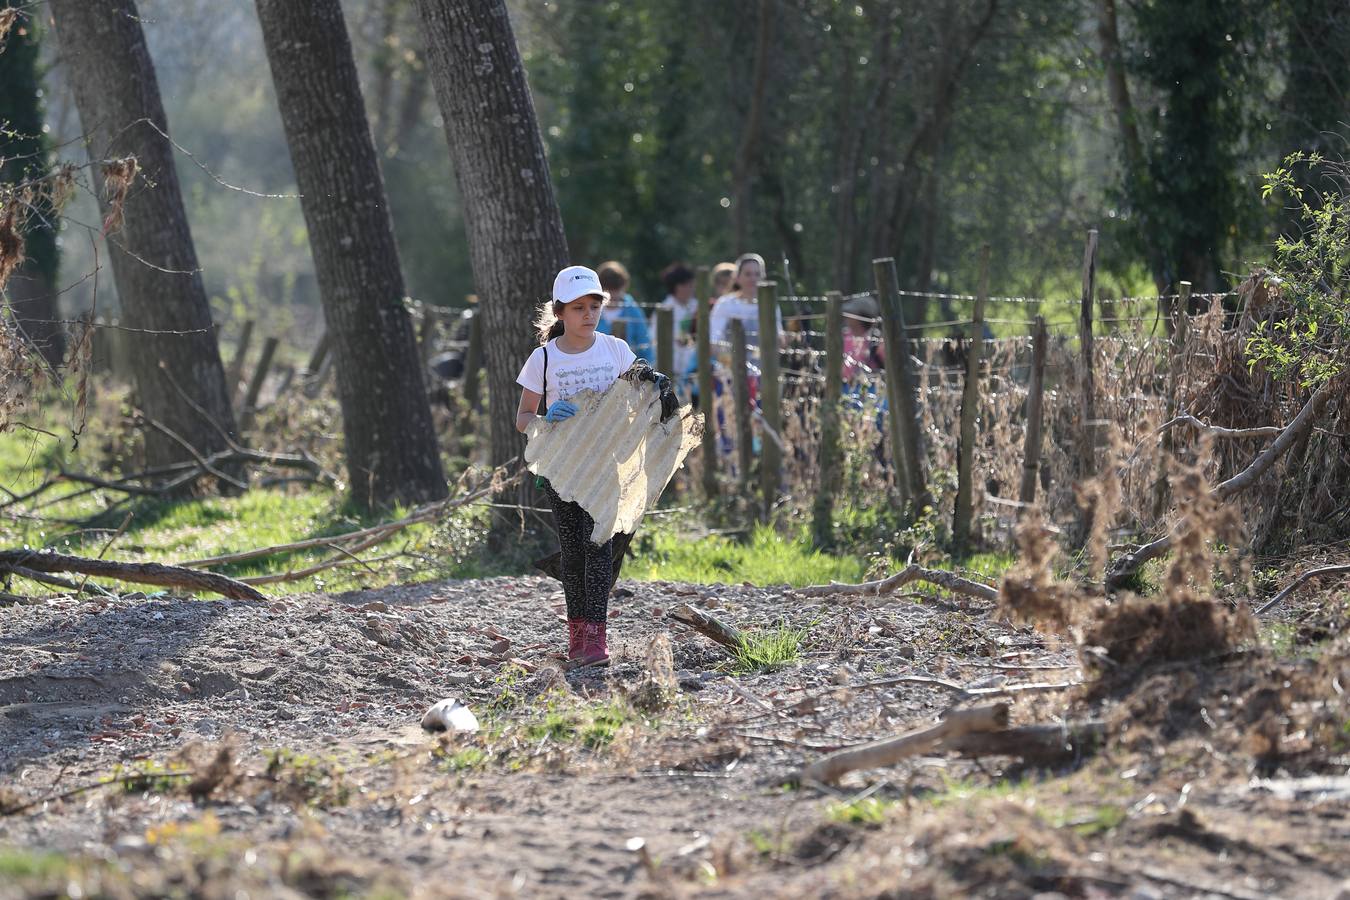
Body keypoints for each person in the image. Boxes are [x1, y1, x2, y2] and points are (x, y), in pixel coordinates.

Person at [515, 265, 676, 667]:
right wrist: (546, 418)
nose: (588, 315)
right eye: (578, 308)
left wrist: (654, 387)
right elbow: (522, 418)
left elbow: (636, 396)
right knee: (573, 552)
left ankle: (597, 636)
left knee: (599, 547)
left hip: (607, 466)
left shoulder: (616, 350)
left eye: (594, 306)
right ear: (560, 312)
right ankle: (577, 635)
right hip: (561, 469)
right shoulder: (544, 359)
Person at [707, 252, 782, 362]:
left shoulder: (769, 305)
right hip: (729, 369)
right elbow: (713, 341)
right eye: (748, 274)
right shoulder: (725, 303)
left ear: (763, 277)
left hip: (764, 370)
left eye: (757, 274)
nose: (753, 278)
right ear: (737, 277)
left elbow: (777, 340)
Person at [651, 262, 699, 396]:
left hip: (696, 373)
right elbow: (656, 344)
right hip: (671, 372)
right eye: (685, 284)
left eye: (691, 284)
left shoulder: (698, 308)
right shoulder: (664, 310)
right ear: (675, 287)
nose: (690, 288)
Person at [594, 260, 654, 364]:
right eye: (608, 289)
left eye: (616, 288)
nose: (612, 294)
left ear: (624, 286)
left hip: (629, 372)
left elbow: (644, 344)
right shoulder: (592, 310)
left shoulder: (633, 311)